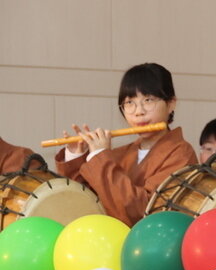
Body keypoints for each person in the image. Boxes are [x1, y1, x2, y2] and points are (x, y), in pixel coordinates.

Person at [54, 62, 198, 223]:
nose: (138, 111)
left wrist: (99, 157)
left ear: (171, 103)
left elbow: (142, 210)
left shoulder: (182, 154)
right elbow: (86, 203)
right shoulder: (119, 153)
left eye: (148, 100)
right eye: (130, 103)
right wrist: (77, 156)